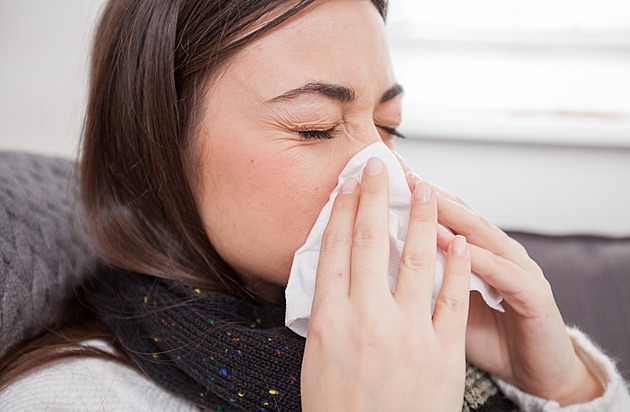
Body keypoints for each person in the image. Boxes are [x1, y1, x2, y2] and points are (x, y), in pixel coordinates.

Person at [0, 0, 628, 410]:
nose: (387, 175)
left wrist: (563, 385)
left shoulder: (421, 338)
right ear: (160, 145)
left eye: (389, 126)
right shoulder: (70, 398)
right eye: (314, 127)